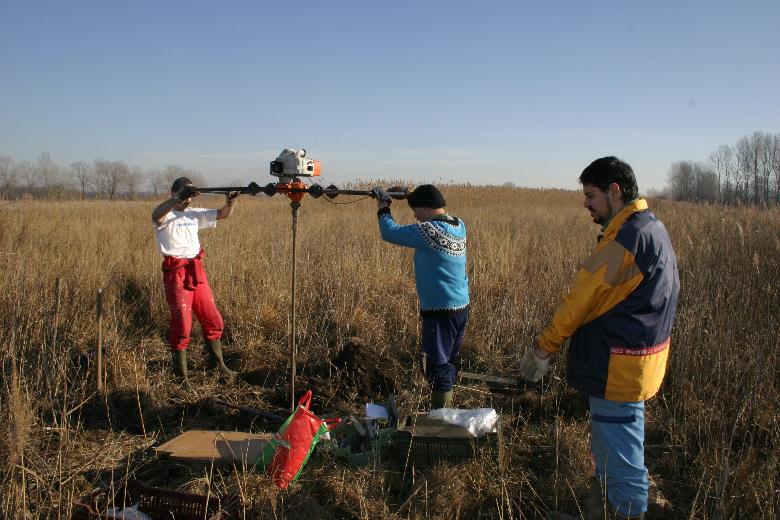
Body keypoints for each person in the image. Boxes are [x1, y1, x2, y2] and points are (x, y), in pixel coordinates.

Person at [518, 157, 680, 520]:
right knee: (617, 444)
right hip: (636, 363)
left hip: (617, 366)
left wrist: (544, 348)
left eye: (590, 195)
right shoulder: (649, 226)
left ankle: (625, 512)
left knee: (622, 457)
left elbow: (582, 300)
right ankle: (608, 508)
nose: (585, 203)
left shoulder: (627, 238)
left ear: (614, 191)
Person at [372, 184, 470, 409]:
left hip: (440, 310)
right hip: (460, 306)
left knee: (436, 364)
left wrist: (383, 206)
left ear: (426, 208)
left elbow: (389, 232)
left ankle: (441, 416)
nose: (415, 216)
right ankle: (447, 409)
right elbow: (425, 211)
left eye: (416, 210)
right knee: (448, 361)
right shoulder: (458, 225)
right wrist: (410, 196)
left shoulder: (430, 231)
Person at [151, 177, 240, 387]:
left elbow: (222, 214)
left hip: (197, 271)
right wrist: (176, 199)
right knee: (182, 325)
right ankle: (180, 376)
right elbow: (156, 214)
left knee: (212, 318)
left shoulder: (193, 214)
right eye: (185, 195)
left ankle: (217, 364)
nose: (188, 200)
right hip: (176, 273)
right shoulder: (165, 215)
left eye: (190, 196)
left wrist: (230, 202)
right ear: (174, 193)